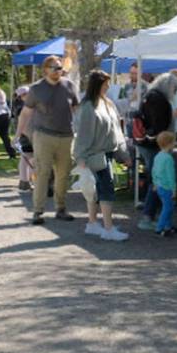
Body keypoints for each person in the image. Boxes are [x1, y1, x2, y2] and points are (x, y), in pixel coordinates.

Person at [74, 70, 131, 242]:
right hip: (95, 155)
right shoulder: (88, 107)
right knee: (105, 190)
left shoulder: (108, 104)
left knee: (97, 190)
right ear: (97, 85)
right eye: (105, 83)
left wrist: (123, 154)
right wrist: (81, 158)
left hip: (106, 153)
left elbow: (117, 131)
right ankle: (108, 228)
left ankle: (93, 223)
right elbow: (82, 135)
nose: (108, 86)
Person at [25, 55, 80, 225]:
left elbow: (77, 109)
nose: (58, 71)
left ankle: (61, 208)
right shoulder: (36, 89)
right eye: (55, 68)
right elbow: (26, 113)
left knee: (63, 174)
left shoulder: (70, 86)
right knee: (43, 173)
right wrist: (20, 133)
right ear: (45, 70)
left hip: (66, 136)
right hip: (43, 135)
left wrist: (81, 129)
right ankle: (38, 211)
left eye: (60, 68)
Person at [135, 72, 177, 231]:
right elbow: (158, 125)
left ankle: (152, 215)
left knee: (155, 180)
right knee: (158, 182)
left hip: (150, 143)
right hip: (154, 144)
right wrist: (165, 141)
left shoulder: (152, 96)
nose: (174, 92)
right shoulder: (157, 99)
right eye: (174, 88)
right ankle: (148, 216)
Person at [153, 131, 177, 237]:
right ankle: (159, 228)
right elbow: (171, 176)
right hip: (167, 187)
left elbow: (153, 171)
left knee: (168, 206)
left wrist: (155, 183)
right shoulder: (168, 158)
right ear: (170, 144)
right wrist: (174, 189)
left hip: (159, 186)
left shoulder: (158, 156)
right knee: (168, 208)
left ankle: (168, 226)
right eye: (174, 142)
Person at [15, 87, 35, 191]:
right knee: (27, 158)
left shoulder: (30, 105)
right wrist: (18, 136)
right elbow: (21, 124)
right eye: (24, 95)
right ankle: (25, 181)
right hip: (26, 135)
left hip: (31, 135)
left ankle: (26, 181)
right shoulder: (22, 108)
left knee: (29, 158)